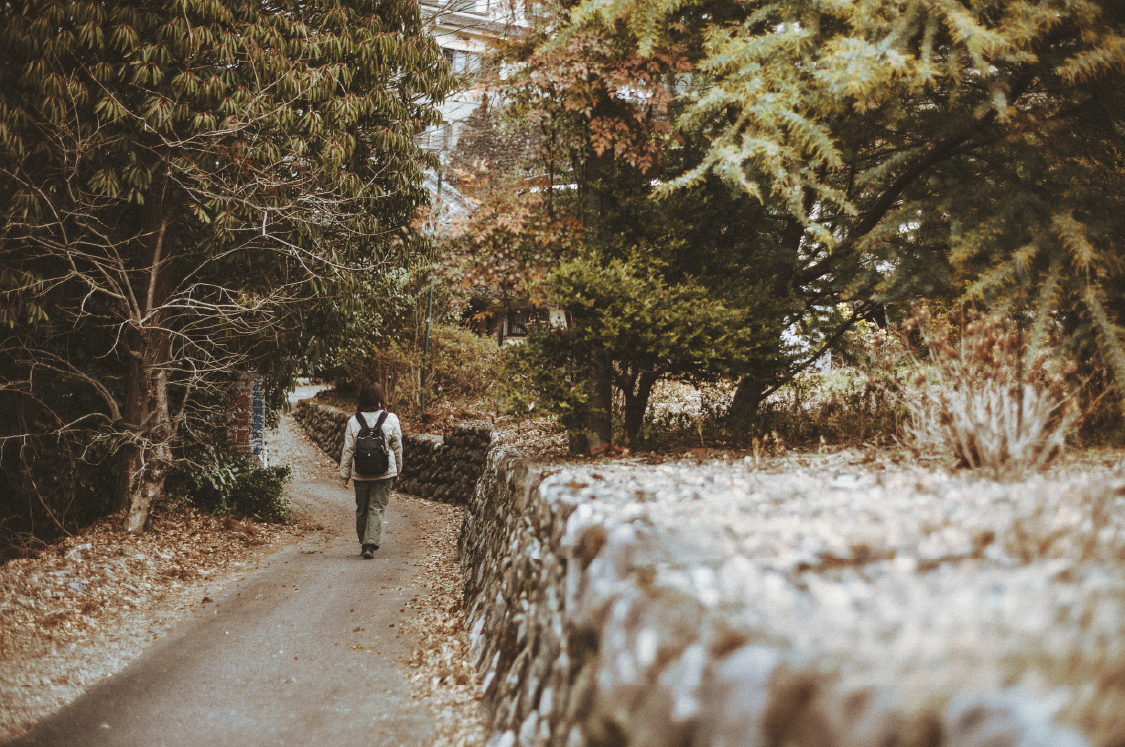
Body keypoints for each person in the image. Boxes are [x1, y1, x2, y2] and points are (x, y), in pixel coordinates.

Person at [340, 383, 402, 559]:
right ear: (380, 398)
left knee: (362, 509)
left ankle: (364, 542)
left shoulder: (354, 421)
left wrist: (344, 475)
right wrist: (398, 471)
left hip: (360, 473)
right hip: (384, 473)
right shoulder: (391, 419)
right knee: (376, 507)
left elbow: (348, 450)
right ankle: (370, 544)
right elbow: (397, 449)